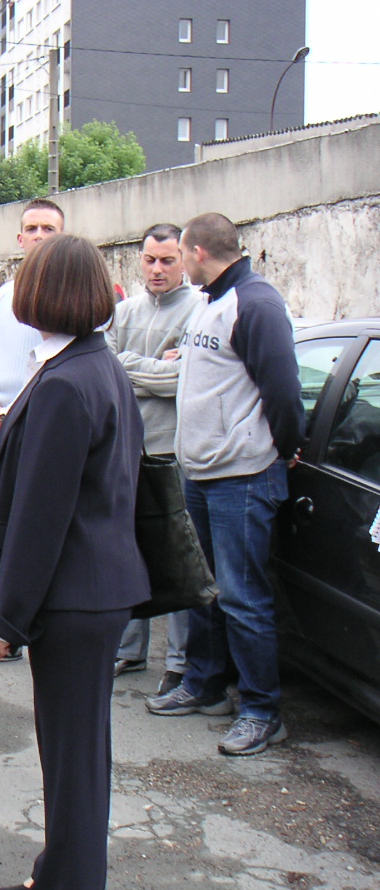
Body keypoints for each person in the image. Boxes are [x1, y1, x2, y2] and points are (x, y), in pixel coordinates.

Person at [0, 235, 149, 890]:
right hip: (93, 589)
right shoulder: (91, 365)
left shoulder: (66, 383)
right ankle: (58, 876)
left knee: (74, 761)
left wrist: (5, 620)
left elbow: (41, 518)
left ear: (39, 295)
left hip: (75, 595)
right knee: (73, 753)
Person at [146, 212, 303, 757]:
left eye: (180, 254)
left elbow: (284, 390)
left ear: (195, 252)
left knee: (242, 596)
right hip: (202, 473)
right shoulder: (211, 302)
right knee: (202, 588)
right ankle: (205, 684)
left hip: (242, 477)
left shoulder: (255, 304)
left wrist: (284, 449)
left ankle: (261, 711)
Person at [0, 198, 65, 666]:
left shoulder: (68, 296)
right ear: (19, 239)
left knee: (30, 532)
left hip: (31, 430)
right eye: (31, 229)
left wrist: (9, 415)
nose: (38, 236)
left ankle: (22, 629)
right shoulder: (3, 297)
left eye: (48, 228)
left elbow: (53, 371)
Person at [106, 223, 206, 694]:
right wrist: (151, 368)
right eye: (150, 259)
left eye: (168, 259)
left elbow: (184, 380)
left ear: (184, 259)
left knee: (175, 556)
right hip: (128, 447)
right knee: (128, 551)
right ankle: (129, 651)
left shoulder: (200, 311)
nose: (157, 269)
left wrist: (129, 365)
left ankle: (180, 663)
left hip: (173, 452)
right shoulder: (123, 311)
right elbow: (107, 366)